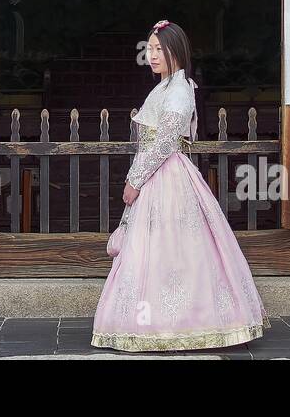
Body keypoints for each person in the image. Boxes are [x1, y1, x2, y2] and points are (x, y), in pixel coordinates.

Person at [91, 19, 270, 352]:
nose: (153, 55)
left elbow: (165, 142)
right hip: (158, 172)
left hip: (167, 176)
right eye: (150, 49)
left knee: (174, 251)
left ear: (177, 51)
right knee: (156, 251)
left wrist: (134, 180)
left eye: (160, 49)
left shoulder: (179, 88)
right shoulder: (164, 87)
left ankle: (181, 323)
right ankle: (154, 321)